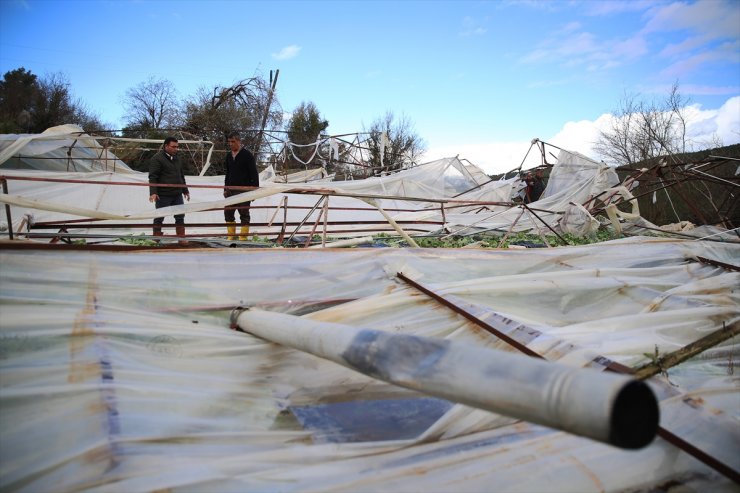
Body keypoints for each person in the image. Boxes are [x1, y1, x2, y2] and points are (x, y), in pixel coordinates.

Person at [148, 136, 190, 244]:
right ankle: (156, 237)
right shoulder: (157, 158)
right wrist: (153, 192)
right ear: (166, 146)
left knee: (180, 216)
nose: (176, 149)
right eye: (173, 147)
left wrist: (185, 190)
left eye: (177, 147)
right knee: (159, 216)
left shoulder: (177, 158)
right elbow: (153, 177)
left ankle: (181, 238)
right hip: (163, 194)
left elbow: (181, 175)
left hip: (177, 193)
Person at [223, 132, 259, 241]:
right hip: (230, 190)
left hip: (244, 190)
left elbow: (254, 173)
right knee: (228, 212)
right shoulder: (229, 156)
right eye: (229, 142)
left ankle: (243, 237)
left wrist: (254, 191)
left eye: (233, 141)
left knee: (244, 213)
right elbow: (228, 173)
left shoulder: (247, 155)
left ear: (239, 141)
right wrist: (225, 188)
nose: (230, 144)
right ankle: (231, 236)